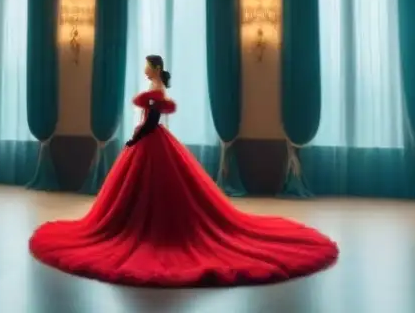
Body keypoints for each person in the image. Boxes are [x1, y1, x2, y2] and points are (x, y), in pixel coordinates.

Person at [28, 55, 339, 287]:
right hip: (153, 140)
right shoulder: (156, 86)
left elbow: (151, 121)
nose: (145, 69)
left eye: (147, 65)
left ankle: (148, 230)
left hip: (149, 139)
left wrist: (135, 138)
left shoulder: (155, 86)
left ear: (154, 68)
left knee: (149, 191)